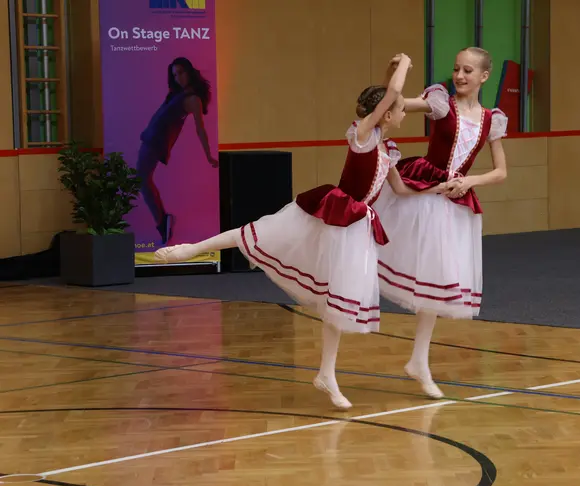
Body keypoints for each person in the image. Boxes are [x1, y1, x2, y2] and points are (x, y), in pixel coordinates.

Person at [154, 54, 451, 409]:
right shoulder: (362, 136)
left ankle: (326, 374)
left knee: (336, 305)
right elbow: (391, 94)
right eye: (401, 110)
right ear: (386, 114)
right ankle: (190, 249)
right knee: (258, 233)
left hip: (354, 228)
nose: (405, 114)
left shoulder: (388, 149)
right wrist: (404, 63)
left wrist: (440, 188)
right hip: (331, 213)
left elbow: (400, 190)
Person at [373, 47, 509, 399]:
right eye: (456, 69)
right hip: (423, 193)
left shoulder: (492, 120)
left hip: (453, 203)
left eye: (468, 70)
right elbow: (393, 103)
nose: (459, 76)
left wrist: (470, 181)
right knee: (373, 252)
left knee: (434, 281)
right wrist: (392, 74)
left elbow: (500, 172)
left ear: (484, 76)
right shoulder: (440, 103)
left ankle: (419, 360)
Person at [136, 57, 219, 246]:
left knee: (142, 180)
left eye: (181, 72)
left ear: (189, 72)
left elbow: (200, 129)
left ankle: (162, 222)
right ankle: (162, 221)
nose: (178, 78)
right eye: (175, 75)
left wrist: (208, 155)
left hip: (156, 142)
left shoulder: (192, 99)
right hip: (150, 138)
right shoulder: (177, 94)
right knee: (142, 180)